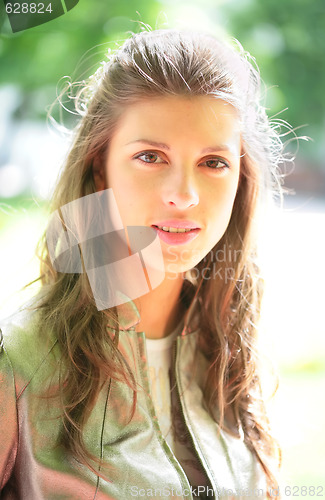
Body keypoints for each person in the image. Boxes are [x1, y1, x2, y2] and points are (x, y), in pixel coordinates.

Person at [0, 28, 284, 499]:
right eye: (150, 156)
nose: (185, 195)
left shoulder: (232, 354)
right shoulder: (16, 364)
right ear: (99, 167)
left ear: (241, 180)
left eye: (214, 162)